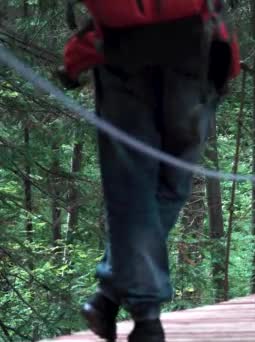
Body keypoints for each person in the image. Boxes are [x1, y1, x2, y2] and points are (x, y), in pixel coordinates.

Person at [57, 1, 240, 341]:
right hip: (190, 47)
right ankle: (141, 316)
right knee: (169, 186)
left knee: (134, 187)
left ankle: (119, 301)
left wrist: (76, 59)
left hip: (122, 51)